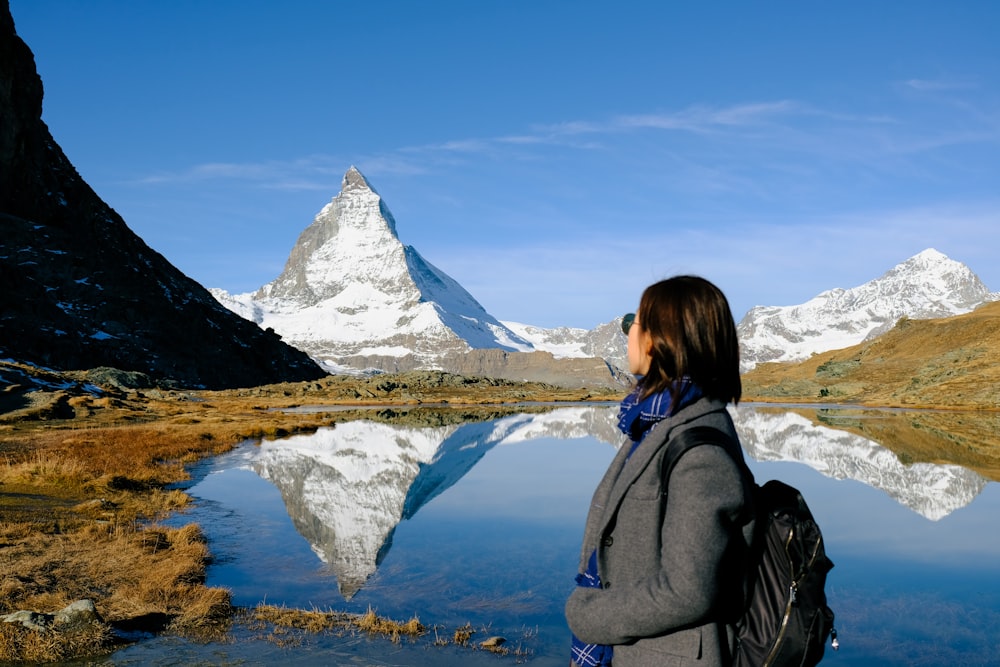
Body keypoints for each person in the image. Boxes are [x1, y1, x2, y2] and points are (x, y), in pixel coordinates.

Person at [566, 275, 755, 667]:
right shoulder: (656, 425)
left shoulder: (700, 448)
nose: (625, 331)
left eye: (633, 322)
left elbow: (689, 589)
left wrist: (592, 616)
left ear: (662, 339)